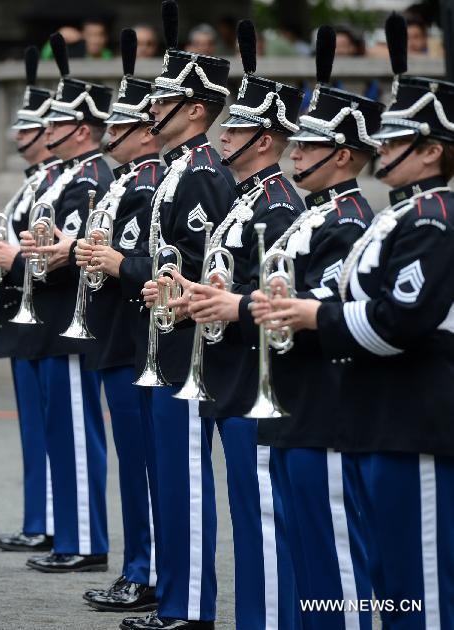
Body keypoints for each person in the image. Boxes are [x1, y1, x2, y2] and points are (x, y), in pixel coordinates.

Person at [251, 13, 454, 629]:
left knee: (418, 588)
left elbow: (400, 321)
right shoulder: (406, 214)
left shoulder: (434, 219)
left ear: (433, 152)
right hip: (374, 416)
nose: (383, 151)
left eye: (396, 143)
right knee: (388, 582)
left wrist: (314, 314)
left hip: (414, 416)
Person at [163, 19, 305, 630]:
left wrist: (225, 302)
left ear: (267, 140)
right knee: (249, 517)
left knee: (264, 521)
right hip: (232, 372)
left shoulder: (275, 203)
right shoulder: (250, 197)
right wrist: (195, 292)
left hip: (257, 377)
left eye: (241, 130)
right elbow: (231, 275)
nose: (227, 138)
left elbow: (277, 297)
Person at [240, 26, 383, 630]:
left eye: (308, 147)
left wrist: (241, 306)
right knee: (302, 547)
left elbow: (320, 306)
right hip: (291, 397)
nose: (294, 155)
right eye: (295, 145)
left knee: (336, 561)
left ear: (343, 155)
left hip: (325, 402)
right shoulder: (319, 215)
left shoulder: (348, 221)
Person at [117, 2, 235, 628]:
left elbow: (213, 263)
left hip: (193, 349)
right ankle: (176, 599)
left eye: (163, 102)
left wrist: (173, 285)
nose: (150, 112)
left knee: (185, 487)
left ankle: (190, 609)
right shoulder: (177, 170)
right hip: (165, 346)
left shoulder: (206, 173)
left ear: (195, 109)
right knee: (170, 483)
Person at [71, 28, 163, 614]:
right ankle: (139, 565)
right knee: (132, 468)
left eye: (120, 129)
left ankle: (145, 568)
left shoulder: (154, 182)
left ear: (146, 131)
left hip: (136, 342)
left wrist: (113, 261)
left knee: (144, 469)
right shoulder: (130, 180)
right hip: (112, 337)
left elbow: (163, 260)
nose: (109, 139)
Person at [17, 31, 114, 575]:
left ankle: (85, 541)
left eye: (54, 124)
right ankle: (70, 534)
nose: (43, 132)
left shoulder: (92, 176)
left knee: (77, 435)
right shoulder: (71, 175)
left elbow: (66, 250)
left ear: (81, 129)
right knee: (61, 433)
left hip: (69, 319)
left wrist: (22, 255)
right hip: (51, 319)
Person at [0, 46, 61, 553]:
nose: (20, 139)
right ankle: (38, 519)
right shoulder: (34, 183)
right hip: (23, 315)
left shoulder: (64, 181)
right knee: (36, 435)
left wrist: (5, 261)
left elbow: (49, 249)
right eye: (19, 132)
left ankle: (56, 526)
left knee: (56, 436)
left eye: (29, 131)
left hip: (48, 318)